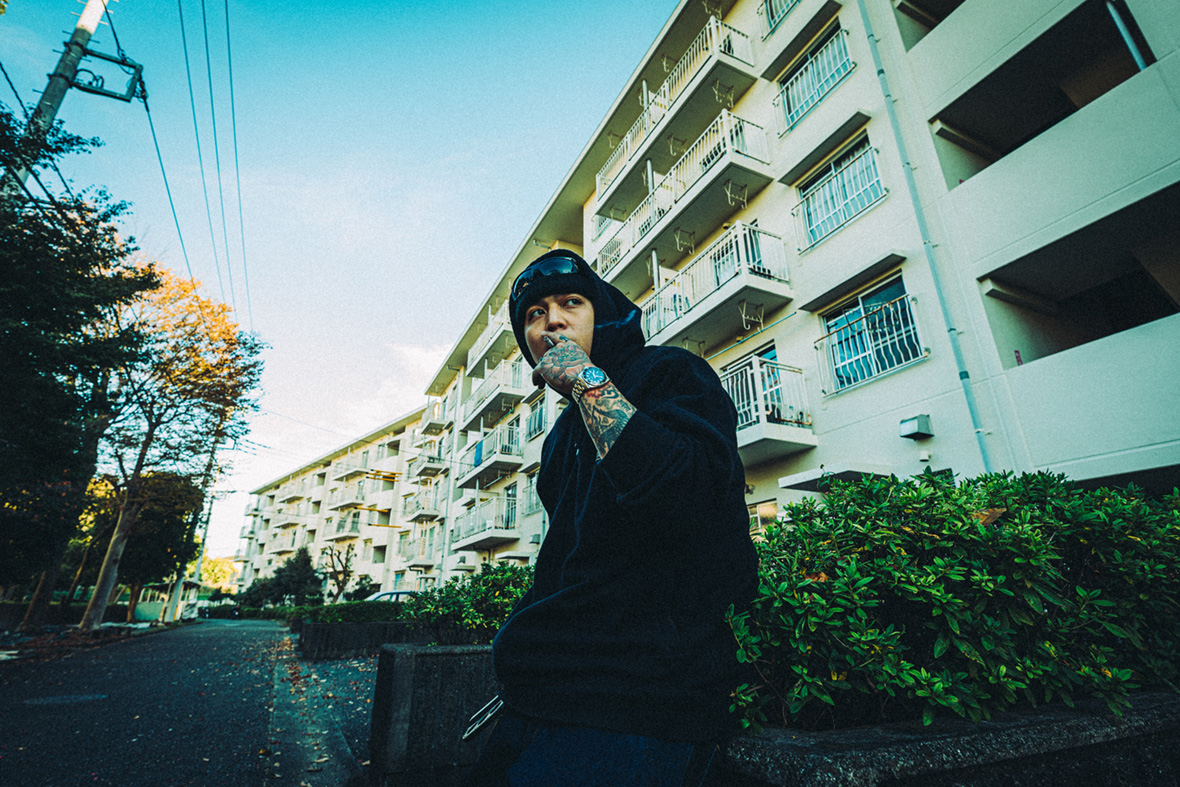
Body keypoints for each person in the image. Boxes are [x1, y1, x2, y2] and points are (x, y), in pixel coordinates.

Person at [461, 249, 758, 787]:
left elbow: (690, 499)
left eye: (570, 303)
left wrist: (587, 383)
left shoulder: (671, 373)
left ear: (604, 314)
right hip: (542, 694)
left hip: (644, 702)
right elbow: (564, 562)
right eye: (534, 314)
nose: (551, 321)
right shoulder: (558, 439)